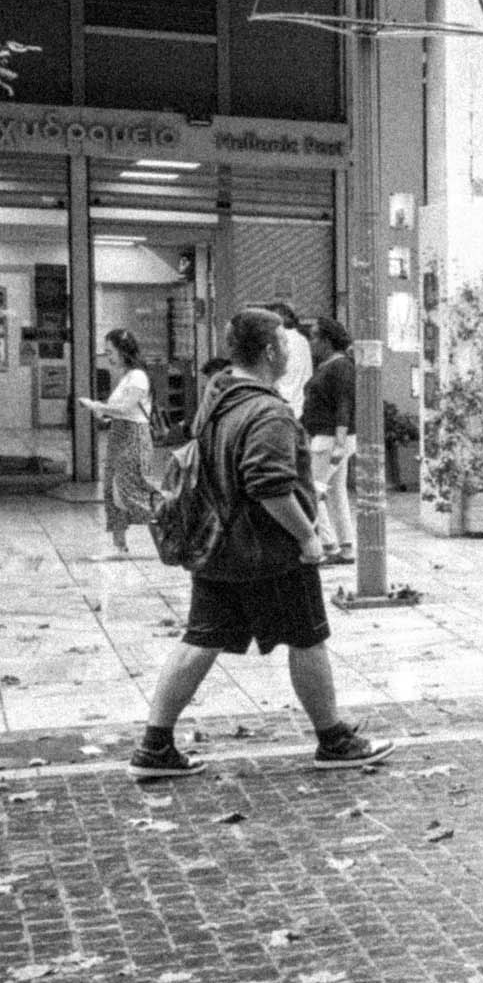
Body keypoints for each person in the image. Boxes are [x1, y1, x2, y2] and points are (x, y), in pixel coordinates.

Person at [126, 306, 395, 779]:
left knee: (199, 641)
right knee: (308, 639)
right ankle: (333, 739)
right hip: (268, 554)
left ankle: (154, 745)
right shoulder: (266, 411)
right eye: (285, 344)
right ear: (270, 350)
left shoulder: (218, 398)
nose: (291, 351)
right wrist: (308, 536)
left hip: (219, 548)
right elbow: (268, 485)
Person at [76, 328, 161, 557]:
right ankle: (119, 546)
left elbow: (126, 409)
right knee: (110, 490)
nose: (108, 356)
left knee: (129, 489)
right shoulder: (126, 377)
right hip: (118, 436)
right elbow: (118, 412)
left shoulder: (138, 377)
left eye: (110, 351)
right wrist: (102, 413)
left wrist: (97, 406)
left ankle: (172, 520)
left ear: (124, 351)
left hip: (134, 437)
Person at [302, 317, 357, 566]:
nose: (310, 342)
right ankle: (345, 546)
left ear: (326, 340)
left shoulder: (340, 367)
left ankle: (329, 545)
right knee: (336, 494)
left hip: (329, 438)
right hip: (329, 436)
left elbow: (344, 404)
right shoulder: (331, 365)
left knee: (313, 492)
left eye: (314, 337)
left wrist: (340, 443)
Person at [264, 301, 313, 419]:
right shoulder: (303, 340)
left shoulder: (277, 341)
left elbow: (271, 375)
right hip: (302, 406)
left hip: (281, 407)